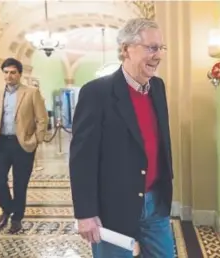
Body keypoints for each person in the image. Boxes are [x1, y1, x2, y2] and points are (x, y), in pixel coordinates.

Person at [69, 18, 174, 257]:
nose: (158, 55)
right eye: (151, 47)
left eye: (161, 48)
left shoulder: (158, 88)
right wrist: (85, 212)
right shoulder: (96, 93)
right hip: (113, 208)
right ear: (126, 49)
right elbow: (82, 158)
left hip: (156, 203)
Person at [0, 58, 48, 234]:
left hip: (23, 144)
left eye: (13, 72)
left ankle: (16, 218)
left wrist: (36, 139)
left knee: (20, 183)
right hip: (0, 143)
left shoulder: (31, 92)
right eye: (6, 72)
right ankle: (8, 208)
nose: (9, 76)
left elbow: (42, 118)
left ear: (19, 74)